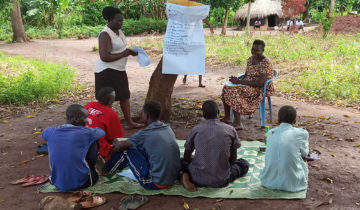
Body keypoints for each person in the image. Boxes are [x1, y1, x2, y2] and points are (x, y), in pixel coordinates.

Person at [110, 101, 181, 190]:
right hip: (173, 178)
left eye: (142, 113)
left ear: (146, 116)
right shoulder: (167, 128)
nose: (141, 115)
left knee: (126, 151)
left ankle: (107, 169)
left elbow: (121, 147)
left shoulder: (144, 134)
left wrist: (113, 145)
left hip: (155, 182)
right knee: (136, 147)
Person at [181, 100, 249, 192]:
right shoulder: (230, 129)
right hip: (222, 180)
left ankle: (185, 177)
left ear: (203, 115)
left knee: (181, 162)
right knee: (244, 163)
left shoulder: (196, 130)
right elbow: (233, 159)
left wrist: (201, 161)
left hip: (197, 179)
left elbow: (186, 157)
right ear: (218, 113)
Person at [94, 6, 142, 129]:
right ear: (110, 19)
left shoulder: (118, 31)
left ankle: (129, 122)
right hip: (106, 71)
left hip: (118, 70)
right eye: (118, 20)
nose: (121, 23)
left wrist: (130, 52)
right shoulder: (105, 34)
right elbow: (104, 56)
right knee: (106, 100)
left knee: (124, 96)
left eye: (122, 20)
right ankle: (104, 125)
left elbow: (120, 48)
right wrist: (124, 54)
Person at [42, 104, 105, 191]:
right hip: (82, 183)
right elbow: (101, 132)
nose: (87, 120)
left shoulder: (50, 131)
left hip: (56, 182)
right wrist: (87, 128)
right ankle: (92, 167)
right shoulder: (85, 132)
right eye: (85, 117)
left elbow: (44, 133)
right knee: (94, 140)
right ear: (76, 119)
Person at [221, 40, 274, 130]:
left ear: (263, 50)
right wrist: (236, 80)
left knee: (234, 91)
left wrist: (240, 83)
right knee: (226, 87)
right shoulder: (250, 59)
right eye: (252, 49)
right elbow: (246, 75)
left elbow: (259, 83)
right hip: (247, 85)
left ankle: (237, 122)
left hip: (259, 89)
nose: (254, 52)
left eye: (257, 50)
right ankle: (227, 117)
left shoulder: (266, 62)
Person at [259, 105, 309, 192]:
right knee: (301, 162)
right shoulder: (302, 133)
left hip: (268, 182)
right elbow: (305, 153)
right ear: (295, 120)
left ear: (279, 119)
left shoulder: (271, 133)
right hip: (293, 184)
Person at [85, 87, 126, 174]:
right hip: (99, 149)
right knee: (127, 151)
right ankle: (106, 167)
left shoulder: (89, 105)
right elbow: (112, 139)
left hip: (83, 145)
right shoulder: (111, 114)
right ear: (111, 100)